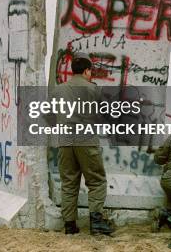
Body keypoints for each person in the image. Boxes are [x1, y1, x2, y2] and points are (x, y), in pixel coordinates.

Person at [54, 52, 113, 236]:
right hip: (86, 140)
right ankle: (96, 223)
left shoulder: (60, 89)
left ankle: (70, 225)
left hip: (65, 140)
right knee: (96, 181)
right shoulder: (93, 89)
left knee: (69, 182)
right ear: (87, 70)